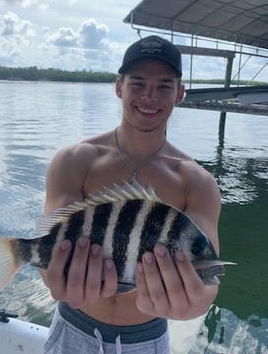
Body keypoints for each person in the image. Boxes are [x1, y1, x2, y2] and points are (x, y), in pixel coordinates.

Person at [41, 35, 221, 354]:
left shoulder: (198, 182)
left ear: (179, 94)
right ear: (118, 87)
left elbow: (207, 272)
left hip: (146, 338)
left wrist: (193, 303)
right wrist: (50, 274)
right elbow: (51, 242)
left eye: (164, 85)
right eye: (138, 83)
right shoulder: (75, 160)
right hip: (72, 327)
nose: (149, 96)